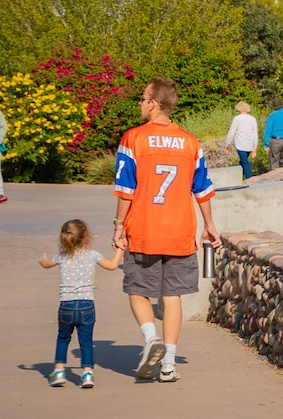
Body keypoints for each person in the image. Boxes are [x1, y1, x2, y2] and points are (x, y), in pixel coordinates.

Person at [111, 77, 222, 383]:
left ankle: (150, 339)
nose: (140, 103)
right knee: (172, 296)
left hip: (144, 228)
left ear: (154, 104)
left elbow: (125, 189)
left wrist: (119, 225)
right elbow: (202, 189)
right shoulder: (189, 142)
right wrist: (209, 226)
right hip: (180, 231)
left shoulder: (133, 138)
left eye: (143, 98)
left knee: (137, 290)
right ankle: (169, 363)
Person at [38, 219, 124, 388]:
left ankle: (59, 371)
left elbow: (47, 264)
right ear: (87, 238)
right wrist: (120, 249)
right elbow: (113, 266)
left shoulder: (62, 257)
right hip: (87, 305)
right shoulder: (93, 255)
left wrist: (43, 261)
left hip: (66, 305)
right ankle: (87, 374)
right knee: (86, 341)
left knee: (63, 338)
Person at [223, 101, 258, 179]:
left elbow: (232, 132)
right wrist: (254, 147)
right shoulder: (252, 119)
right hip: (250, 143)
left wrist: (227, 144)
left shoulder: (237, 119)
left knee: (244, 162)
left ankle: (249, 178)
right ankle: (238, 178)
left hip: (240, 144)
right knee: (243, 161)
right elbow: (255, 133)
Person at [262, 97, 283, 170]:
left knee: (274, 162)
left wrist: (266, 144)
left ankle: (274, 180)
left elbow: (268, 130)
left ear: (274, 107)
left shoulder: (272, 116)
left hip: (276, 141)